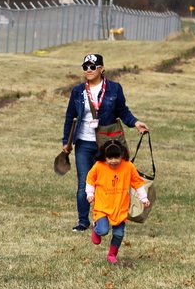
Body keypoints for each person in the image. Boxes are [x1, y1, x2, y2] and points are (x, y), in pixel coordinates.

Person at [61, 53, 148, 233]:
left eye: (93, 67)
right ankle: (83, 221)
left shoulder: (114, 89)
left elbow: (123, 111)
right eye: (85, 67)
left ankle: (107, 217)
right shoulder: (78, 91)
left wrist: (136, 123)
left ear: (102, 69)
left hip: (108, 144)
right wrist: (66, 142)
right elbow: (70, 117)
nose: (89, 70)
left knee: (109, 183)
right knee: (84, 183)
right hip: (84, 143)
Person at [86, 140, 150, 265]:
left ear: (122, 155)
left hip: (120, 207)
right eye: (110, 158)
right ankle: (97, 227)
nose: (113, 161)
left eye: (117, 157)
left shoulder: (129, 167)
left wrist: (143, 198)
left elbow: (137, 183)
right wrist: (90, 194)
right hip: (102, 206)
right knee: (103, 231)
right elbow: (90, 179)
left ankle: (112, 255)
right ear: (104, 156)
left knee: (119, 234)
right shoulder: (99, 166)